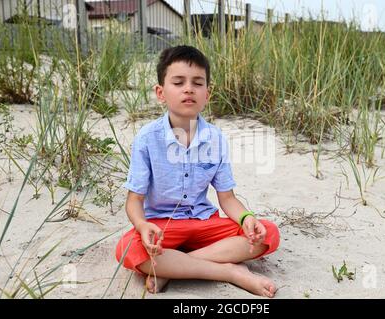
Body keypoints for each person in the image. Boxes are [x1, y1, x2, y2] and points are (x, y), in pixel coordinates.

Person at [115, 45, 280, 298]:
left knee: (267, 233)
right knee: (128, 249)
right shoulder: (147, 138)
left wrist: (247, 219)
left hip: (204, 222)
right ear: (161, 93)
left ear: (207, 94)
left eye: (197, 83)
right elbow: (134, 200)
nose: (188, 89)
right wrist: (141, 224)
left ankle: (172, 268)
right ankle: (231, 272)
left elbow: (227, 198)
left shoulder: (215, 138)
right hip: (162, 226)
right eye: (178, 82)